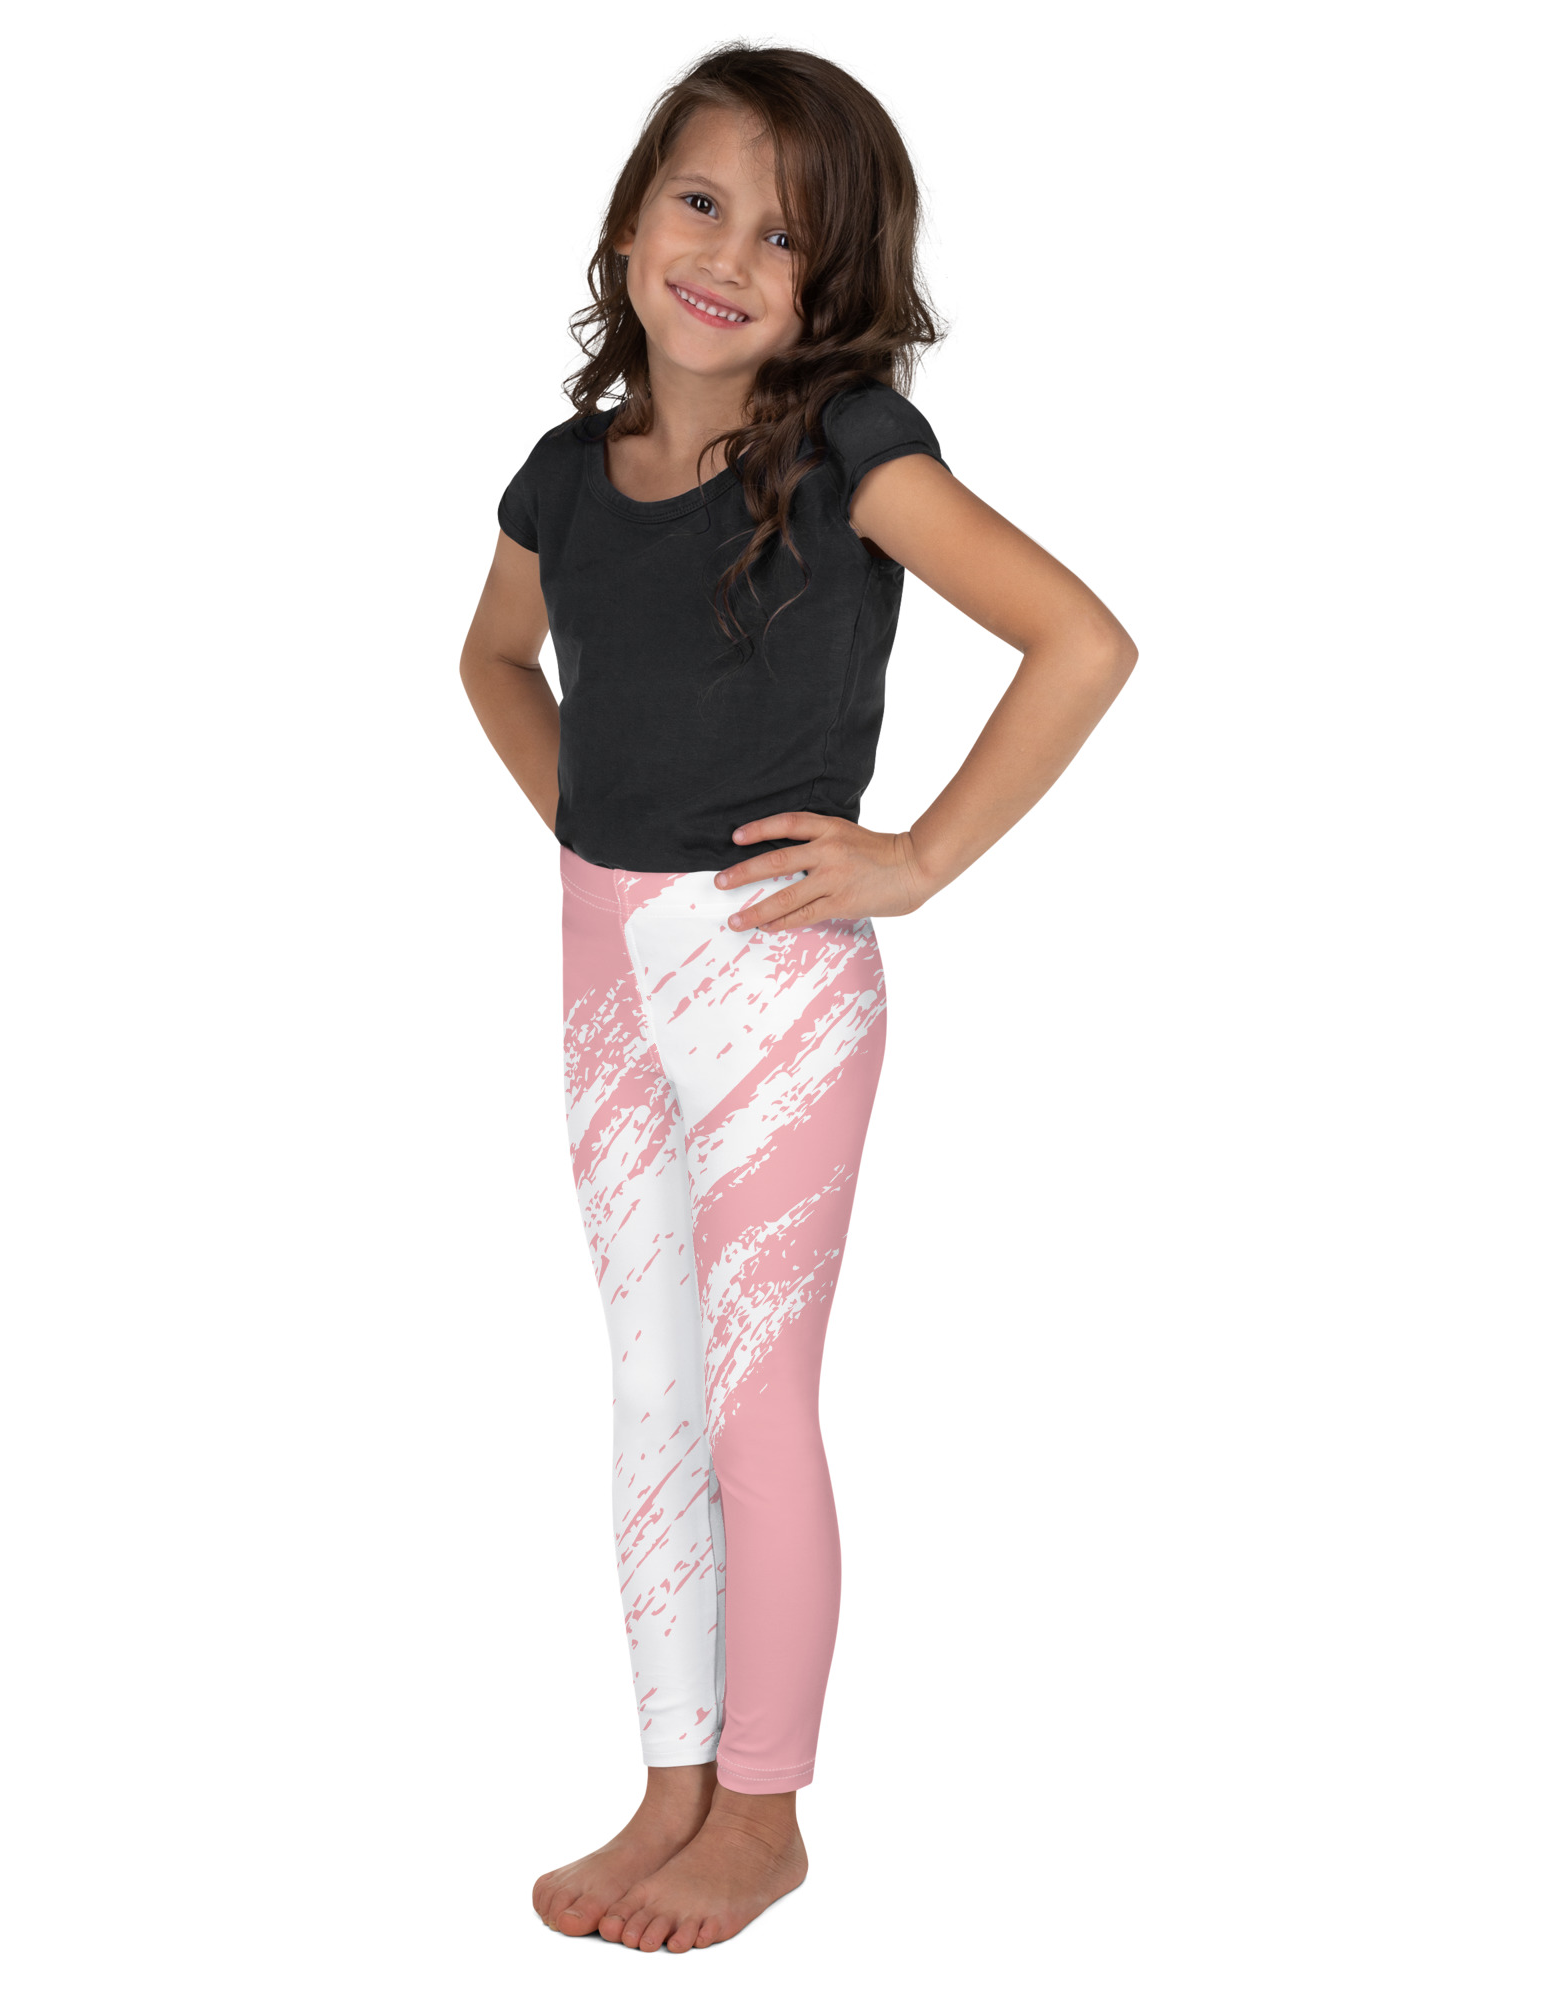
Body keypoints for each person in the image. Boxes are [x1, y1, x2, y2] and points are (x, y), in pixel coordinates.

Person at [459, 43, 1138, 1954]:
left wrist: (916, 859)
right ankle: (671, 1778)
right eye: (704, 203)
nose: (733, 259)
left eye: (789, 239)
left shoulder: (850, 448)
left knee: (756, 1398)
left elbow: (1081, 640)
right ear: (629, 216)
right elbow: (494, 660)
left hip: (773, 983)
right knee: (650, 1389)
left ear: (839, 289)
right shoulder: (563, 476)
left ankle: (763, 1812)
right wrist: (595, 827)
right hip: (607, 968)